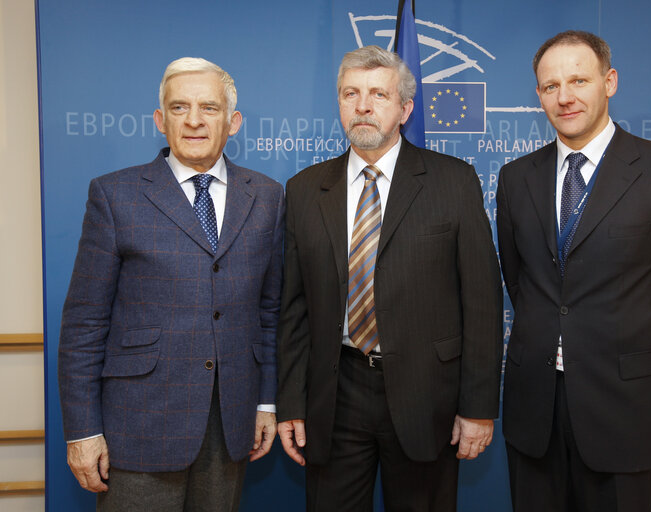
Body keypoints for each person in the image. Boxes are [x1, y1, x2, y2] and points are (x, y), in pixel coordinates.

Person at [496, 31, 651, 511]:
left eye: (579, 79)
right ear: (538, 95)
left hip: (625, 409)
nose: (565, 96)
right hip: (534, 409)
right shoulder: (516, 178)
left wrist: (645, 359)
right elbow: (522, 282)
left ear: (609, 81)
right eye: (550, 86)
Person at [276, 45, 503, 512]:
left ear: (405, 108)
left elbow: (482, 301)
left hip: (427, 398)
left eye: (378, 94)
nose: (362, 105)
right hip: (334, 394)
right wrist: (291, 403)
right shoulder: (303, 190)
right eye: (350, 93)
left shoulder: (453, 181)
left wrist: (478, 406)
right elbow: (293, 310)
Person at [58, 57, 284, 511]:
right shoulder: (114, 194)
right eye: (179, 108)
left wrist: (266, 402)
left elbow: (270, 312)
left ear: (233, 121)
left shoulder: (268, 196)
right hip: (138, 424)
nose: (195, 121)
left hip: (229, 423)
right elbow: (85, 322)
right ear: (160, 121)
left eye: (210, 108)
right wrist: (83, 430)